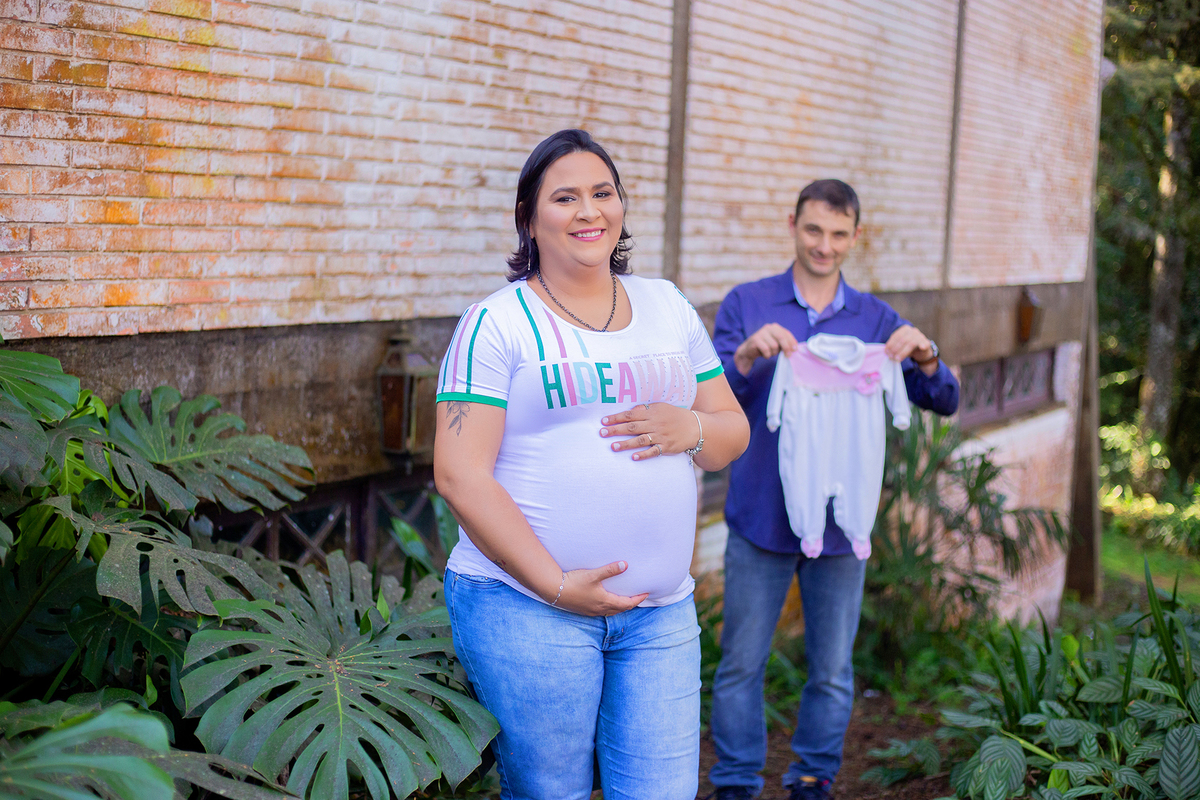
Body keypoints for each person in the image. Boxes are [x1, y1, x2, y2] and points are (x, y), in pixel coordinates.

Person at [433, 128, 750, 800]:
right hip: (528, 609)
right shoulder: (495, 324)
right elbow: (459, 474)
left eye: (603, 193)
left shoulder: (667, 306)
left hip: (659, 613)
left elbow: (731, 434)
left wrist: (688, 424)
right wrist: (554, 585)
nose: (589, 211)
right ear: (530, 218)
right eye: (565, 197)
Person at [707, 179, 960, 800]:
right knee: (740, 665)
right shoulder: (748, 303)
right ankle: (737, 782)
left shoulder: (876, 319)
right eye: (814, 230)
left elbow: (943, 398)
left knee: (833, 670)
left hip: (843, 526)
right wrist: (745, 357)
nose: (825, 245)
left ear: (855, 237)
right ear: (792, 223)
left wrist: (925, 355)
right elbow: (708, 398)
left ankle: (813, 779)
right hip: (760, 519)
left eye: (839, 234)